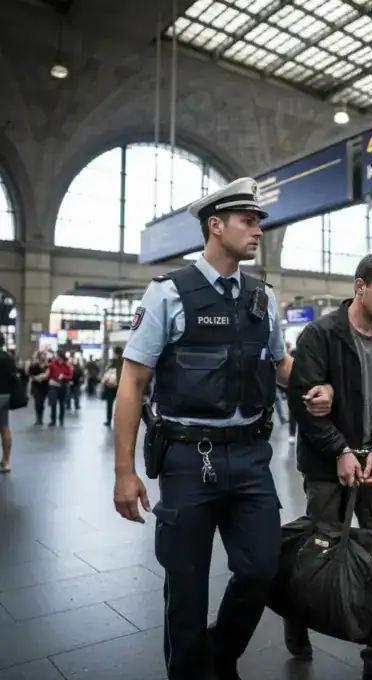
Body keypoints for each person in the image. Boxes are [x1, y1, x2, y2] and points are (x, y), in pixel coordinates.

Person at [112, 178, 334, 680]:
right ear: (216, 226)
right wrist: (125, 471)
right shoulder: (169, 293)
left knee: (261, 569)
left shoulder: (262, 297)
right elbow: (133, 384)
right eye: (248, 221)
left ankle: (220, 653)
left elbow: (280, 364)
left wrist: (314, 386)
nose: (258, 231)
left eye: (258, 222)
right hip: (187, 461)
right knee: (186, 586)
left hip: (251, 458)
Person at [284, 252, 372, 680]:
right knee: (316, 555)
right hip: (327, 470)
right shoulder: (320, 335)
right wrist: (339, 449)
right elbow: (303, 405)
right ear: (359, 286)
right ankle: (297, 620)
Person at [0, 333, 17, 473]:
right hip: (4, 395)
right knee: (4, 427)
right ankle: (6, 461)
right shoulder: (8, 358)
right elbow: (14, 377)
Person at [47, 349, 72, 427]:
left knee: (62, 403)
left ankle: (61, 419)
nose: (57, 358)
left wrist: (64, 376)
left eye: (59, 356)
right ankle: (53, 420)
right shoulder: (52, 364)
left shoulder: (67, 365)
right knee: (53, 403)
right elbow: (49, 374)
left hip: (63, 386)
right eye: (57, 356)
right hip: (53, 385)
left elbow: (70, 376)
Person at [28, 351, 50, 425]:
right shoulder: (34, 365)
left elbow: (49, 375)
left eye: (44, 355)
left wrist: (43, 377)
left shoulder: (47, 365)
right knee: (37, 402)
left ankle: (40, 418)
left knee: (41, 402)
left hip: (44, 386)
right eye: (41, 355)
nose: (42, 356)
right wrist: (35, 378)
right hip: (36, 385)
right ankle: (38, 418)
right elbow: (30, 373)